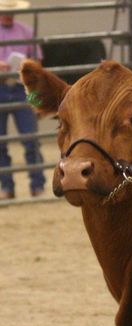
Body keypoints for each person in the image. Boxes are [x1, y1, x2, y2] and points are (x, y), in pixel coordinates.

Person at [0, 0, 45, 200]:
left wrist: (28, 67)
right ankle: (6, 186)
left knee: (30, 139)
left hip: (22, 88)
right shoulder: (26, 31)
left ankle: (37, 185)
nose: (8, 15)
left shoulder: (26, 31)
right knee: (0, 142)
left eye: (12, 11)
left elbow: (38, 61)